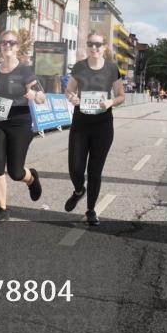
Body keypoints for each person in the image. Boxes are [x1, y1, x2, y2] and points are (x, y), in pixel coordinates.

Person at [0, 29, 45, 223]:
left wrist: (34, 95)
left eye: (11, 42)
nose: (7, 45)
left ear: (17, 47)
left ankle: (31, 178)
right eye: (4, 42)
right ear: (0, 46)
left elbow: (42, 97)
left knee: (15, 172)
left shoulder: (25, 71)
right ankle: (2, 209)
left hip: (20, 123)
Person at [64, 32, 125, 226]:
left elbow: (121, 95)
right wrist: (72, 97)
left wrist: (110, 102)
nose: (94, 48)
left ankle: (91, 210)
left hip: (103, 125)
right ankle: (78, 190)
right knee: (75, 167)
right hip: (80, 122)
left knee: (95, 171)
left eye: (98, 44)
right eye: (91, 43)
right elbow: (69, 90)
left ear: (105, 47)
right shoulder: (80, 67)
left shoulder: (112, 69)